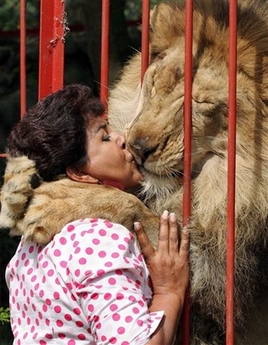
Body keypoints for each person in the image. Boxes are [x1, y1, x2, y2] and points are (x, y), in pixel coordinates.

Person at [4, 84, 189, 345]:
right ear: (79, 173)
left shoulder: (29, 245)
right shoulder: (97, 237)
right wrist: (170, 292)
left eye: (110, 128)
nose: (122, 138)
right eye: (104, 137)